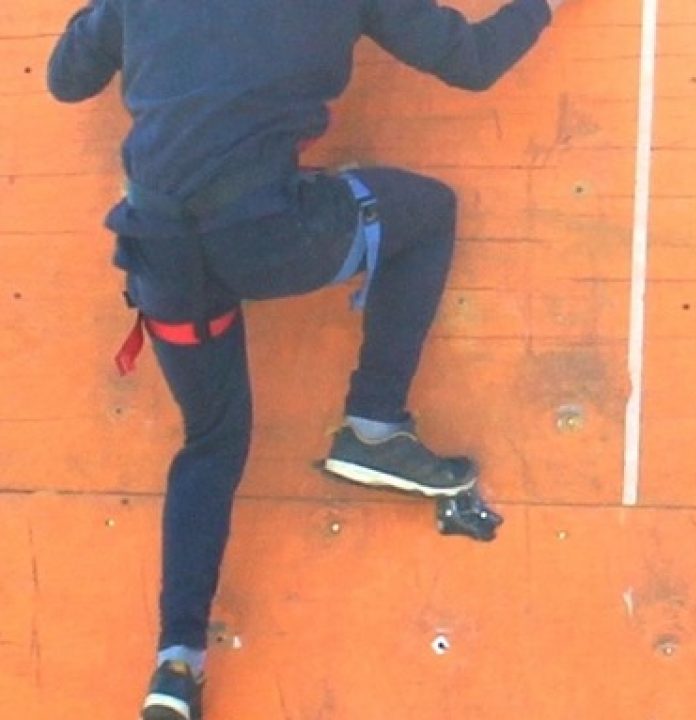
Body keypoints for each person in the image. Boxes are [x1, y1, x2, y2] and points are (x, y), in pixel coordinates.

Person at [46, 0, 570, 717]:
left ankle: (177, 664)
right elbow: (472, 63)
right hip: (268, 237)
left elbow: (66, 79)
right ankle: (375, 425)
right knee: (427, 213)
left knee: (211, 443)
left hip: (160, 254)